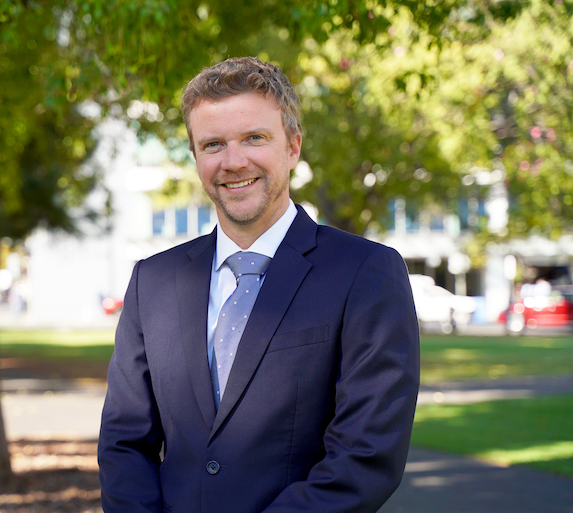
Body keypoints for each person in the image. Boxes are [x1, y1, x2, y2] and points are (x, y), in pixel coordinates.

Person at [98, 57, 420, 513]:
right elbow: (124, 443)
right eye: (213, 144)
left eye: (254, 138)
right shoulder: (152, 281)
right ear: (196, 157)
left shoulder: (366, 272)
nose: (234, 162)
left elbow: (365, 456)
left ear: (292, 147)